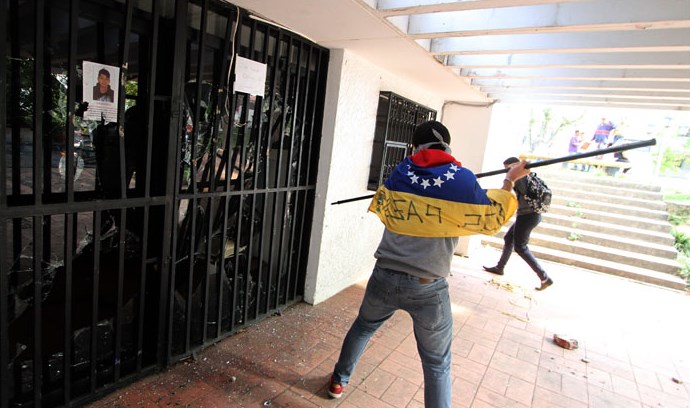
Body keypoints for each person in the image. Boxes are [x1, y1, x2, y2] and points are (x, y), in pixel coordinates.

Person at [328, 120, 531, 407]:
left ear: (415, 147)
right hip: (428, 287)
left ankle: (338, 381)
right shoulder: (462, 179)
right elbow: (493, 216)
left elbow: (385, 206)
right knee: (436, 363)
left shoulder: (401, 172)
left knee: (363, 327)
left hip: (384, 275)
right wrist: (510, 179)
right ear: (446, 146)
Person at [483, 157, 554, 291]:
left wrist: (509, 178)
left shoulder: (519, 177)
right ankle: (500, 267)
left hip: (527, 216)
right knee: (508, 238)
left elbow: (505, 193)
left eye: (508, 169)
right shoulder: (529, 176)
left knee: (521, 247)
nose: (507, 172)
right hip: (531, 214)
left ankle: (544, 277)